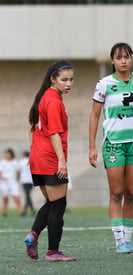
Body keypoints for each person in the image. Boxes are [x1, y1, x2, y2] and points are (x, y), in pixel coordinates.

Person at [89, 42, 133, 254]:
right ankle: (119, 240)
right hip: (113, 144)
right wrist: (91, 146)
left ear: (131, 59)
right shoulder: (104, 84)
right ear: (112, 60)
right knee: (117, 192)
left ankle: (128, 239)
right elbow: (94, 115)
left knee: (131, 192)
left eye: (127, 57)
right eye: (119, 57)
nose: (123, 61)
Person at [24, 60, 76, 262]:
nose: (69, 83)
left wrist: (35, 153)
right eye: (64, 80)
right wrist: (61, 161)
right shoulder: (53, 100)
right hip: (50, 159)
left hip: (38, 159)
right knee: (59, 205)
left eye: (71, 79)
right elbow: (54, 133)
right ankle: (53, 252)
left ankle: (33, 235)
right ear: (52, 79)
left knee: (53, 203)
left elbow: (31, 127)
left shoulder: (43, 97)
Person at [0, 148, 23, 217]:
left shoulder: (15, 162)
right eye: (6, 154)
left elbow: (18, 171)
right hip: (4, 182)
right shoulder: (2, 162)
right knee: (5, 198)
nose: (6, 155)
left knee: (17, 198)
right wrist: (3, 177)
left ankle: (21, 212)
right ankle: (4, 213)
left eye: (8, 154)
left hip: (13, 182)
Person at [19, 150, 36, 216]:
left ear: (24, 155)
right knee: (28, 195)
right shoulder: (31, 161)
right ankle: (28, 211)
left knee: (27, 195)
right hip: (31, 180)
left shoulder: (21, 161)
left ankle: (28, 211)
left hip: (24, 180)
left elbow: (18, 170)